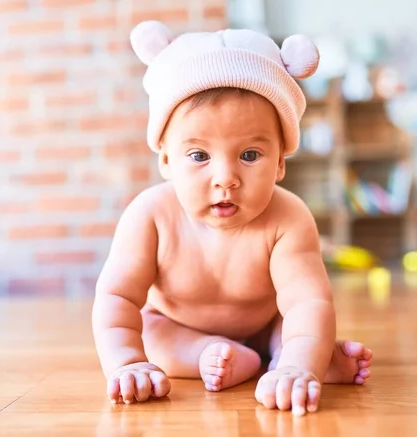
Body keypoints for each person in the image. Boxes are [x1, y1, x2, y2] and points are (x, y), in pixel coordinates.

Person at [91, 21, 372, 416]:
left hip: (264, 326)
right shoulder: (150, 215)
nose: (225, 178)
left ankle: (292, 363)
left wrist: (299, 364)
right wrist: (126, 363)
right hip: (176, 326)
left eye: (250, 155)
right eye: (200, 156)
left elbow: (307, 302)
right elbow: (117, 297)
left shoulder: (288, 218)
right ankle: (211, 355)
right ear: (167, 160)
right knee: (153, 335)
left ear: (279, 163)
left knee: (294, 331)